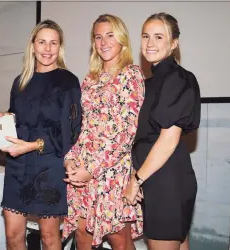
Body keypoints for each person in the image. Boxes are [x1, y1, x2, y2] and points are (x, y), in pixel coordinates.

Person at [62, 14, 145, 250]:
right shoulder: (89, 80)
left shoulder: (131, 75)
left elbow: (125, 134)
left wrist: (92, 169)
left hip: (112, 173)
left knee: (119, 240)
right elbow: (84, 127)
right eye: (98, 37)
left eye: (110, 35)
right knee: (82, 235)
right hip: (82, 170)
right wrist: (70, 160)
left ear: (122, 40)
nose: (104, 42)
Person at [0, 19, 82, 250]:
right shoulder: (20, 81)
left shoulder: (68, 81)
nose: (47, 49)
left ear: (60, 47)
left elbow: (72, 130)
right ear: (33, 45)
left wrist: (33, 145)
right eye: (42, 42)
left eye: (53, 43)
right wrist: (8, 118)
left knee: (48, 237)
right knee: (13, 235)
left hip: (49, 165)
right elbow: (19, 117)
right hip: (18, 164)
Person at [123, 12, 201, 250]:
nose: (150, 43)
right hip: (158, 178)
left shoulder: (178, 79)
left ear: (173, 43)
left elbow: (168, 141)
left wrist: (136, 181)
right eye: (146, 36)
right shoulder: (150, 82)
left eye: (158, 37)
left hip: (167, 181)